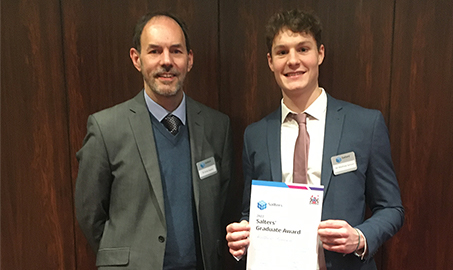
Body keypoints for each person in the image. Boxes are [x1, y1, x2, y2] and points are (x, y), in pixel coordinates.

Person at [226, 9, 404, 270]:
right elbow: (250, 212)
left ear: (320, 53)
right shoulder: (255, 134)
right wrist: (241, 235)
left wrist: (360, 237)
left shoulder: (365, 125)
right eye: (282, 52)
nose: (293, 60)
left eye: (303, 49)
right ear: (270, 61)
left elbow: (392, 208)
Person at [75, 11, 233, 270]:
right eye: (155, 51)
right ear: (136, 59)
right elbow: (90, 213)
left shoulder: (217, 126)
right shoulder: (106, 128)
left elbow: (222, 205)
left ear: (189, 59)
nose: (166, 61)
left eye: (176, 51)